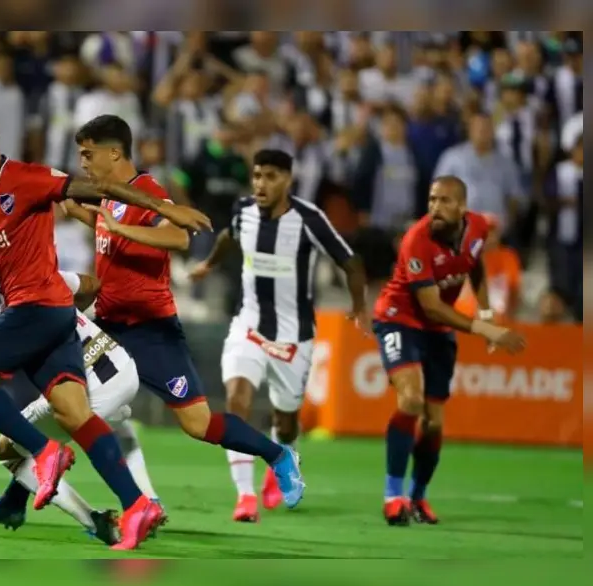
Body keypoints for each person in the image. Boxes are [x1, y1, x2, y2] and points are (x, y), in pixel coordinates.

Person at [0, 110, 209, 551]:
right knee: (75, 414)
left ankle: (43, 453)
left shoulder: (28, 178)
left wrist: (164, 208)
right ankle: (137, 505)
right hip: (52, 316)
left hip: (37, 306)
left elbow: (97, 187)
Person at [60, 115, 307, 517]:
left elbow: (177, 236)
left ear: (115, 152)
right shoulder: (109, 196)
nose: (83, 162)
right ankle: (132, 502)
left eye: (88, 154)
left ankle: (278, 455)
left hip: (150, 329)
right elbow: (107, 226)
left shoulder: (148, 191)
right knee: (70, 403)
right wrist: (84, 214)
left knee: (198, 424)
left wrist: (119, 228)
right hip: (108, 324)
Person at [0, 246, 160, 545]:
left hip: (92, 385)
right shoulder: (31, 276)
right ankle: (13, 504)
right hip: (121, 364)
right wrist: (69, 324)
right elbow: (91, 285)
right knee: (94, 428)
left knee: (10, 449)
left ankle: (106, 517)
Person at [190, 149, 369, 522]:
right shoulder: (244, 211)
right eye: (257, 175)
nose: (261, 184)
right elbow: (227, 236)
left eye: (271, 176)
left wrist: (358, 305)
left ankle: (282, 461)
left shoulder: (308, 219)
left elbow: (350, 261)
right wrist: (209, 264)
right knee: (236, 401)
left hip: (293, 337)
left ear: (288, 180)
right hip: (249, 326)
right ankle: (244, 497)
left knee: (285, 420)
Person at [373, 176, 527, 526]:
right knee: (410, 401)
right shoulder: (417, 239)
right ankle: (392, 496)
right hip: (400, 318)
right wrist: (487, 328)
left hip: (439, 332)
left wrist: (485, 309)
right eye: (431, 200)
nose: (435, 208)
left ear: (461, 206)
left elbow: (475, 263)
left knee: (433, 424)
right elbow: (430, 307)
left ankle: (418, 498)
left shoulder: (478, 227)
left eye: (444, 201)